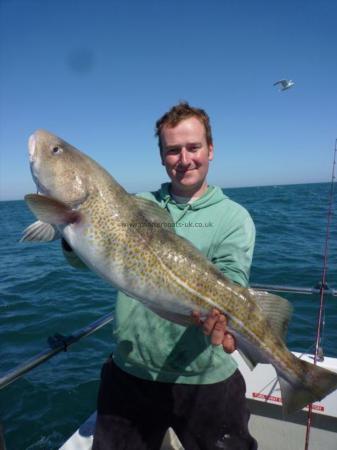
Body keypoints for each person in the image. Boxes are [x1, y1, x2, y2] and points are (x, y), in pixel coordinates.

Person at [63, 102, 257, 449]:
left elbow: (232, 281)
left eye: (193, 147)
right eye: (173, 150)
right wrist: (68, 227)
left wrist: (222, 322)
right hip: (130, 373)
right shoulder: (135, 206)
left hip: (206, 378)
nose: (184, 159)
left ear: (210, 150)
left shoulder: (234, 217)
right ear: (162, 157)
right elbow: (83, 259)